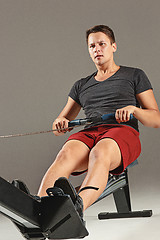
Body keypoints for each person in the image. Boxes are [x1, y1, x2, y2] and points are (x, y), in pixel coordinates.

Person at [38, 25, 160, 219]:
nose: (97, 49)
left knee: (100, 151)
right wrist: (60, 122)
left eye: (102, 44)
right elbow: (58, 126)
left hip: (122, 133)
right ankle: (39, 208)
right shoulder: (81, 85)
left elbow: (156, 119)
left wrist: (135, 110)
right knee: (66, 153)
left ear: (113, 46)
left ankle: (76, 210)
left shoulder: (134, 75)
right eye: (92, 46)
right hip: (90, 133)